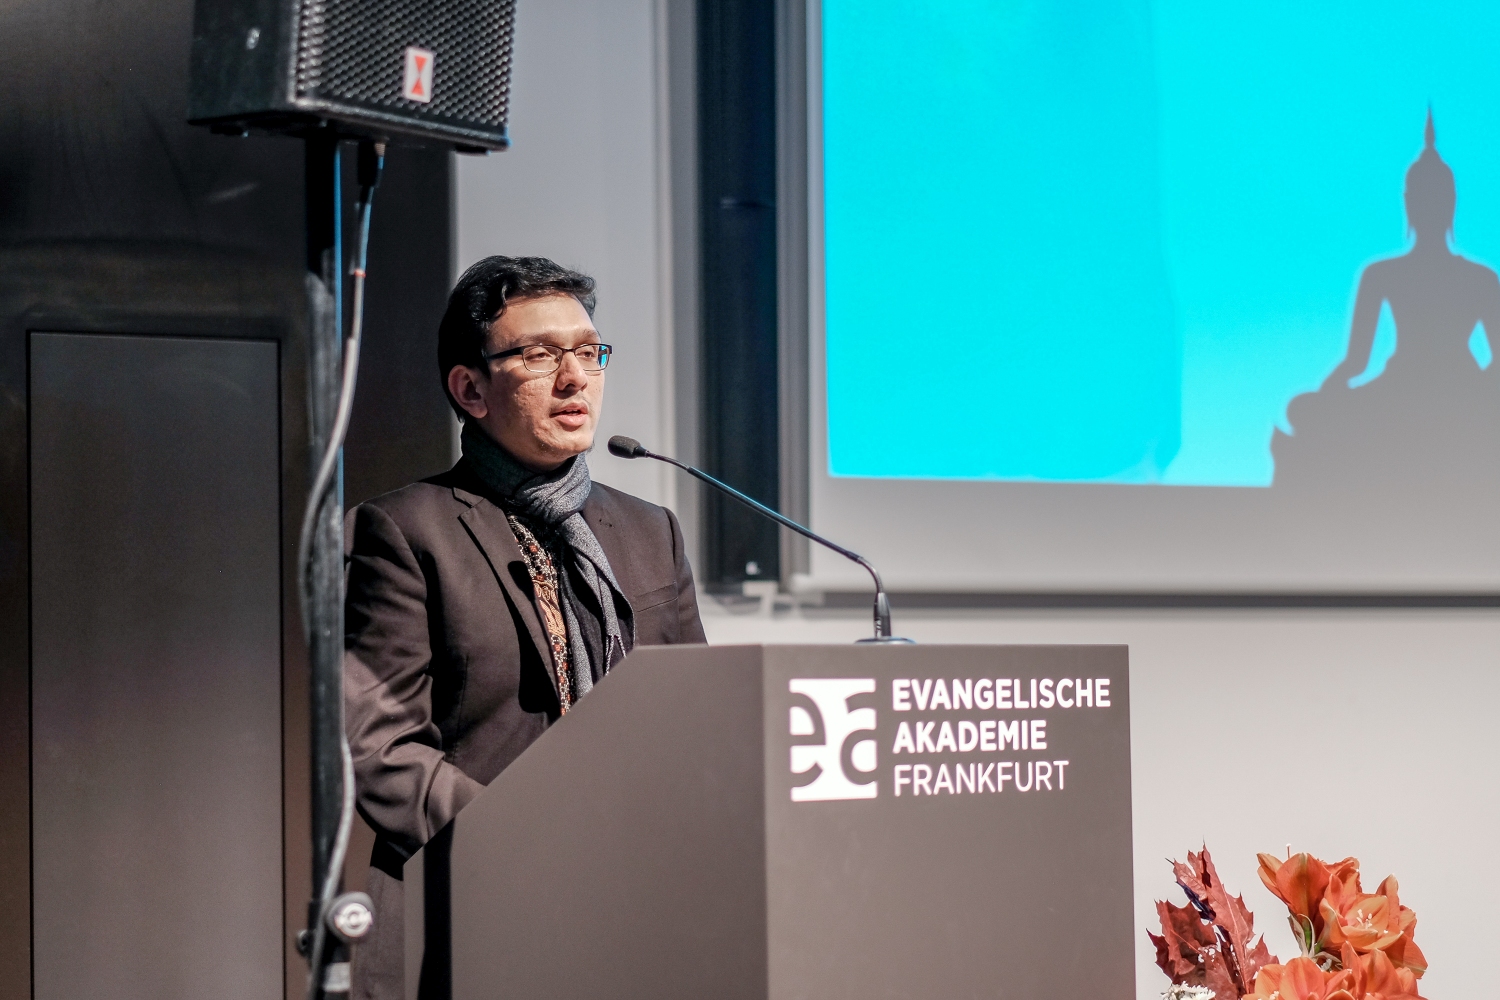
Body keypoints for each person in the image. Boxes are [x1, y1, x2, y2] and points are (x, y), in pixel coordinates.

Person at [344, 256, 706, 998]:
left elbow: (700, 716)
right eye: (540, 355)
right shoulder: (405, 531)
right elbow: (379, 748)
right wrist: (526, 839)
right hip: (470, 903)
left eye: (588, 352)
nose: (575, 378)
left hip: (635, 905)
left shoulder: (651, 532)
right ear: (470, 389)